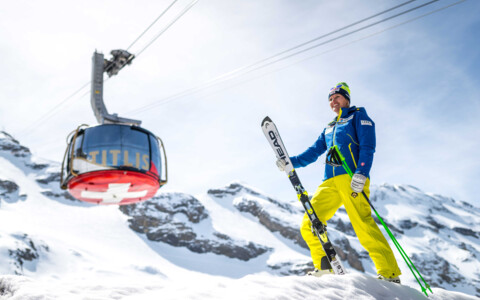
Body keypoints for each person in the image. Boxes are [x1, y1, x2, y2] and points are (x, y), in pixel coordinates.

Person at [276, 82, 401, 283]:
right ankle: (325, 267)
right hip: (329, 182)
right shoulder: (329, 127)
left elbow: (368, 147)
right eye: (330, 99)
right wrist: (291, 162)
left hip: (352, 178)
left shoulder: (359, 116)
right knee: (309, 223)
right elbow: (314, 152)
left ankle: (390, 274)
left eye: (337, 97)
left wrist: (361, 172)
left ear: (346, 99)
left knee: (362, 224)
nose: (334, 102)